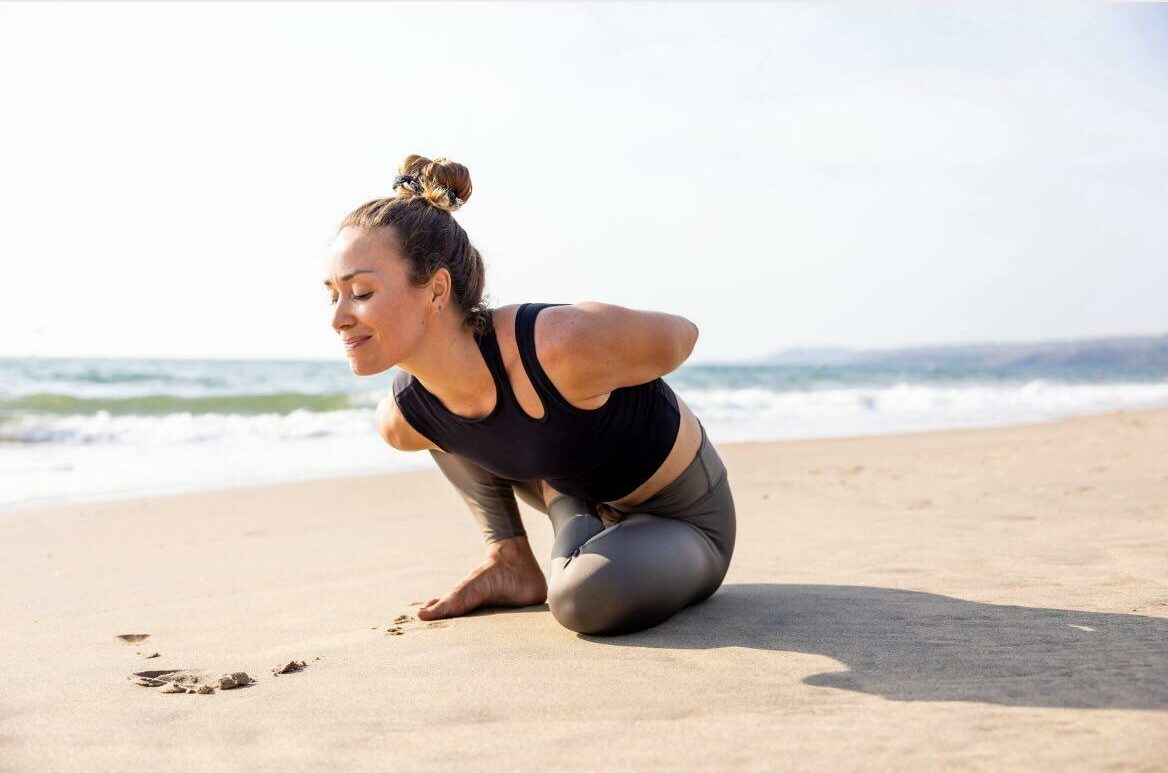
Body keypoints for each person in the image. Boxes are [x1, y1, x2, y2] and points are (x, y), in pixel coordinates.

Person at [324, 154, 736, 636]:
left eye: (361, 293)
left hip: (683, 520)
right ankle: (510, 557)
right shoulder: (407, 416)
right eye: (332, 294)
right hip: (586, 502)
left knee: (582, 600)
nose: (338, 318)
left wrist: (596, 360)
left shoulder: (557, 346)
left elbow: (682, 335)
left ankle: (569, 509)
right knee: (425, 417)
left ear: (437, 290)